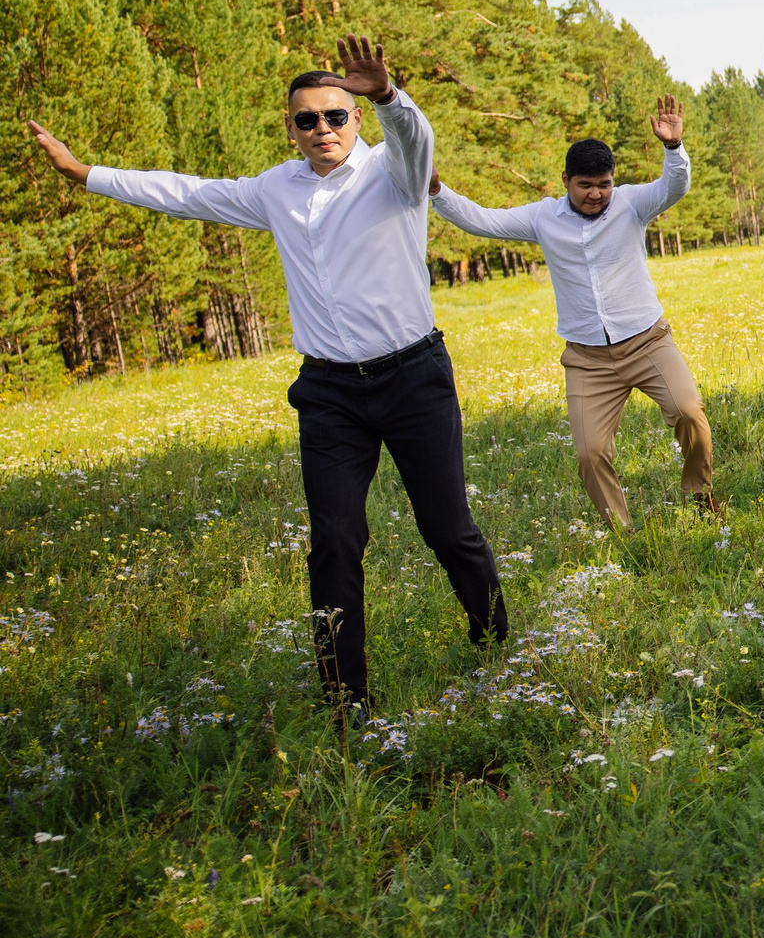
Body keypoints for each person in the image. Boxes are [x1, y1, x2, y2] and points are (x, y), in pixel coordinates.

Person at [25, 38, 505, 719]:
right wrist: (83, 172)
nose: (323, 130)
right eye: (307, 120)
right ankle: (345, 700)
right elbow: (185, 193)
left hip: (412, 377)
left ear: (357, 121)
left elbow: (416, 138)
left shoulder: (394, 172)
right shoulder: (275, 189)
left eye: (336, 116)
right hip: (330, 393)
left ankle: (495, 640)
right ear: (291, 128)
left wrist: (388, 96)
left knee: (446, 527)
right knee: (335, 541)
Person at [429, 98, 719, 528]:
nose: (596, 194)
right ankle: (622, 533)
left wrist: (674, 149)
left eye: (603, 183)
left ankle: (700, 495)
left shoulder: (630, 203)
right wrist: (438, 192)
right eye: (585, 184)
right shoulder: (543, 217)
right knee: (589, 453)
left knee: (690, 411)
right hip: (587, 359)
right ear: (565, 180)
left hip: (647, 341)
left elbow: (673, 188)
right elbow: (485, 221)